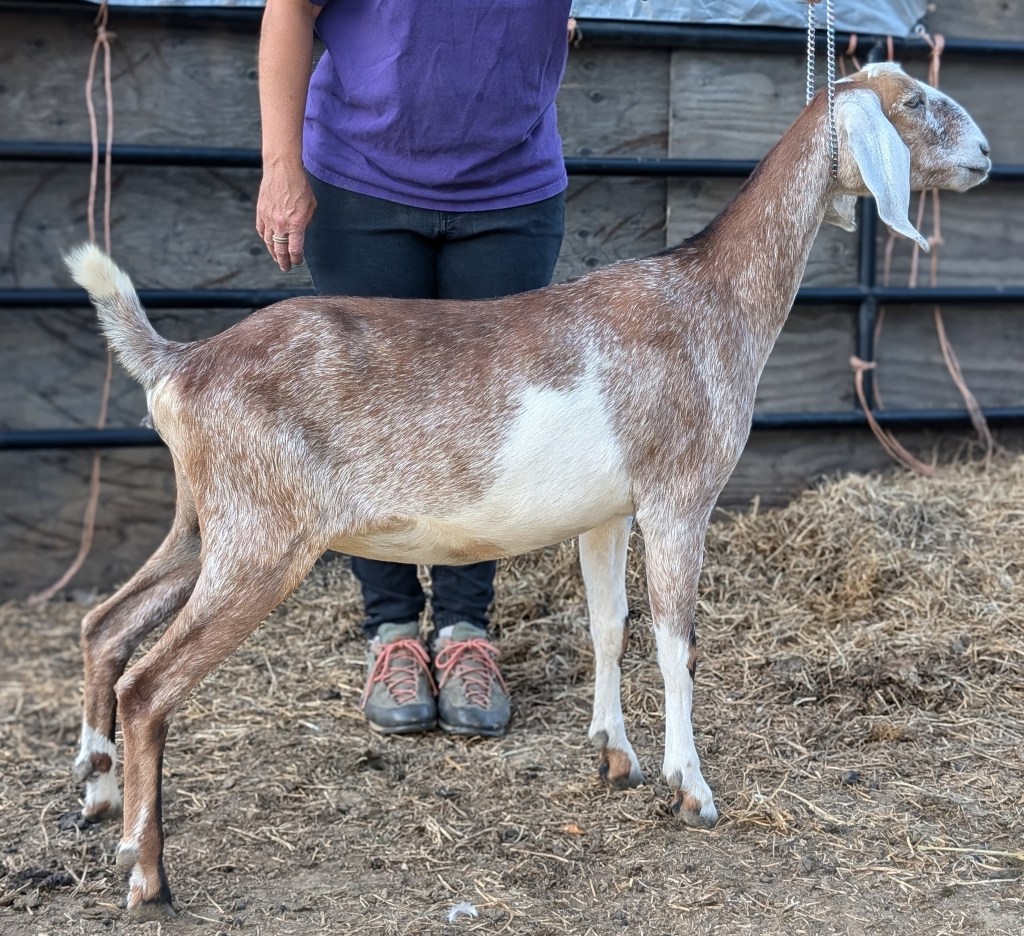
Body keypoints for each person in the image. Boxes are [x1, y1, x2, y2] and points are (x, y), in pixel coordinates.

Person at [256, 0, 572, 738]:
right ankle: (392, 632)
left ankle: (466, 633)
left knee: (487, 419)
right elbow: (290, 8)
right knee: (372, 416)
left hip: (511, 190)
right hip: (360, 183)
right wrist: (280, 165)